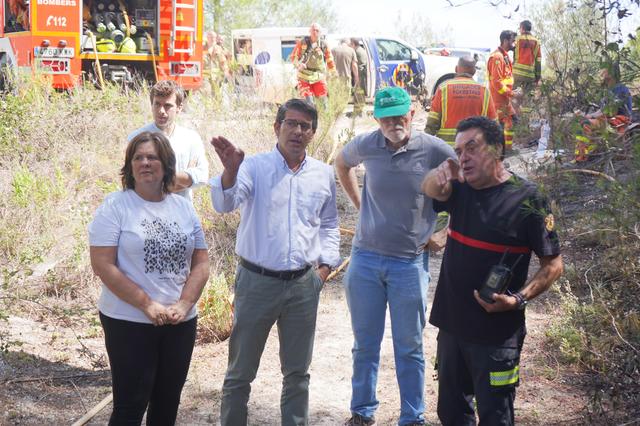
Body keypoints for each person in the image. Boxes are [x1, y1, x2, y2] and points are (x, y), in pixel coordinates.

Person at [422, 116, 563, 425]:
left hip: (496, 338)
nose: (463, 158)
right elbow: (429, 188)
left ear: (497, 148)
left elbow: (553, 264)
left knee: (495, 416)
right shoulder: (460, 189)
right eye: (458, 151)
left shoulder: (529, 199)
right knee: (450, 413)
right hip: (452, 328)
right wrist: (439, 174)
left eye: (471, 148)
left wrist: (518, 300)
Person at [210, 98, 340, 426]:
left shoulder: (323, 174)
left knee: (297, 374)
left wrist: (323, 271)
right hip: (256, 283)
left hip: (302, 286)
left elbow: (329, 224)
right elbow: (224, 203)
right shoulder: (253, 167)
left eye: (305, 126)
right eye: (290, 123)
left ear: (312, 133)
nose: (297, 131)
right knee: (240, 374)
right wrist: (230, 170)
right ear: (277, 127)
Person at [335, 87, 456, 426]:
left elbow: (467, 181)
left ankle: (413, 417)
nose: (393, 123)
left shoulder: (432, 148)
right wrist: (359, 206)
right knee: (365, 344)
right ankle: (362, 411)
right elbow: (341, 164)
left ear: (412, 115)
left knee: (410, 346)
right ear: (377, 120)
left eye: (399, 116)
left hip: (409, 263)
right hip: (366, 260)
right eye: (386, 118)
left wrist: (445, 231)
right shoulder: (367, 144)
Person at [89, 131, 210, 425]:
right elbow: (103, 265)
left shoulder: (183, 207)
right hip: (129, 322)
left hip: (179, 322)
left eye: (152, 157)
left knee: (167, 404)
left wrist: (184, 303)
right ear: (129, 165)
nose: (145, 163)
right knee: (130, 407)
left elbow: (201, 262)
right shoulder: (115, 207)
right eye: (138, 157)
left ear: (166, 164)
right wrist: (146, 305)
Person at [128, 80, 209, 203]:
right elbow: (132, 181)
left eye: (167, 105)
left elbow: (202, 176)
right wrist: (185, 177)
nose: (161, 110)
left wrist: (159, 180)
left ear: (179, 108)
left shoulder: (191, 139)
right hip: (146, 211)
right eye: (157, 104)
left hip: (181, 213)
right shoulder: (136, 138)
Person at [425, 55, 497, 145]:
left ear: (456, 69)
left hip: (447, 149)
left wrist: (426, 144)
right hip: (473, 149)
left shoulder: (443, 88)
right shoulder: (484, 91)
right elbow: (493, 123)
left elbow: (432, 121)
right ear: (474, 72)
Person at [574, 66, 634, 161]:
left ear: (611, 73)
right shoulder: (609, 89)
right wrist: (586, 115)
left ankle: (582, 158)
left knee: (586, 124)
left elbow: (611, 111)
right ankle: (589, 154)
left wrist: (590, 117)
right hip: (610, 119)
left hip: (620, 119)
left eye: (604, 70)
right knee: (585, 121)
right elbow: (602, 110)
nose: (602, 72)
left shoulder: (619, 88)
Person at [289, 23, 336, 105]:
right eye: (313, 30)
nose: (315, 32)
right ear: (309, 31)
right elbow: (293, 57)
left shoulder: (324, 44)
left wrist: (333, 73)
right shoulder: (302, 43)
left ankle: (324, 118)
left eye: (317, 30)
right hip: (304, 77)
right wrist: (299, 65)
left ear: (320, 32)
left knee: (324, 104)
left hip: (319, 76)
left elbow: (330, 60)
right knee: (308, 104)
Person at [488, 30, 519, 151]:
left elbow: (505, 79)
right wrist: (512, 93)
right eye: (512, 41)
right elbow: (496, 81)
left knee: (511, 122)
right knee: (501, 126)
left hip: (505, 99)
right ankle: (500, 151)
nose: (514, 44)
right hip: (498, 100)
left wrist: (512, 92)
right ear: (505, 41)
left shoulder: (504, 56)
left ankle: (506, 150)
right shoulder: (497, 57)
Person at [513, 20, 542, 102]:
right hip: (530, 76)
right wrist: (538, 77)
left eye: (519, 28)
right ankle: (526, 114)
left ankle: (515, 114)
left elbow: (513, 54)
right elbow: (538, 61)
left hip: (516, 75)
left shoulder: (517, 39)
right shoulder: (537, 42)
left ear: (522, 28)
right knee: (528, 100)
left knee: (514, 98)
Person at [351, 38, 368, 116]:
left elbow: (355, 65)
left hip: (359, 74)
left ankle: (358, 112)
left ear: (353, 44)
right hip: (362, 74)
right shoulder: (361, 50)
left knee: (358, 93)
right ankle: (359, 110)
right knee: (360, 92)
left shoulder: (356, 52)